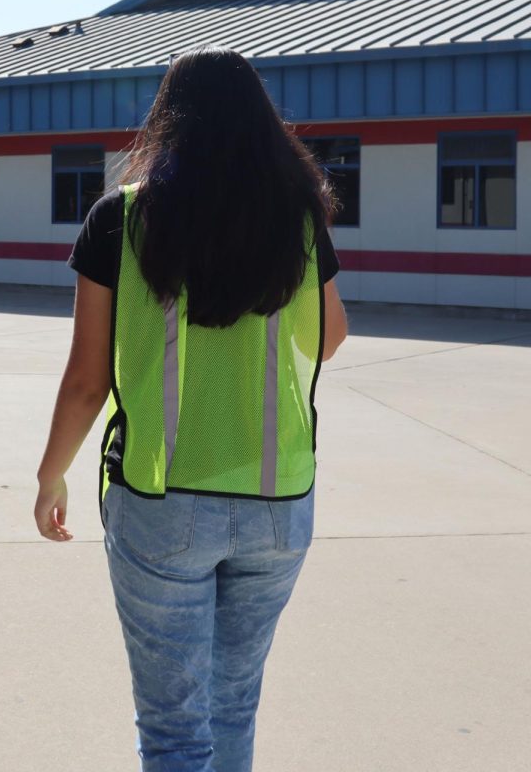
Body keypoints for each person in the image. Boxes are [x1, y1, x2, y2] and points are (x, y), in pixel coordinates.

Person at [34, 46, 347, 772]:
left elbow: (87, 377)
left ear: (168, 119)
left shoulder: (122, 218)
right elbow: (331, 338)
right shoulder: (298, 218)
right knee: (232, 707)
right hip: (278, 502)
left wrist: (53, 475)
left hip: (160, 501)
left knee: (175, 729)